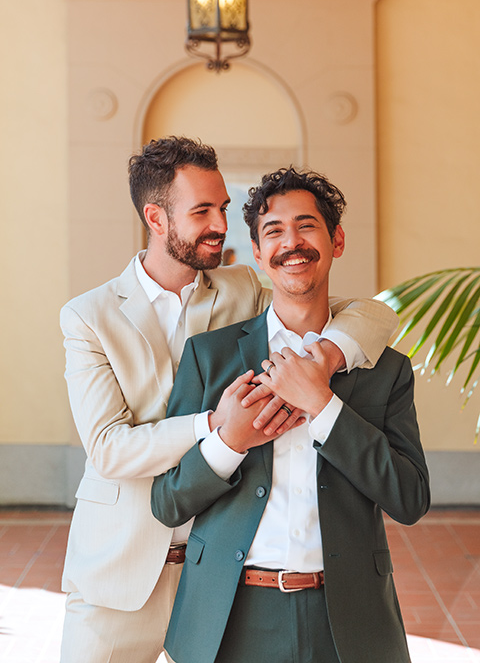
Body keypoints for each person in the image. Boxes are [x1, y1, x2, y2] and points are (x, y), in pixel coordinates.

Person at [59, 138, 398, 663]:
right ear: (156, 218)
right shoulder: (89, 317)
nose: (221, 223)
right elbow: (108, 448)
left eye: (221, 207)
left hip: (221, 574)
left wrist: (327, 358)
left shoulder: (242, 287)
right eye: (202, 211)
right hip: (119, 572)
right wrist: (217, 425)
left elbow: (371, 315)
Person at [151, 166, 430, 663]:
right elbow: (168, 503)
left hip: (347, 623)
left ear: (336, 239)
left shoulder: (386, 370)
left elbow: (409, 499)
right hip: (229, 619)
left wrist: (324, 407)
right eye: (273, 231)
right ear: (257, 253)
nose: (291, 243)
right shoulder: (209, 356)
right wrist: (228, 441)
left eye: (306, 226)